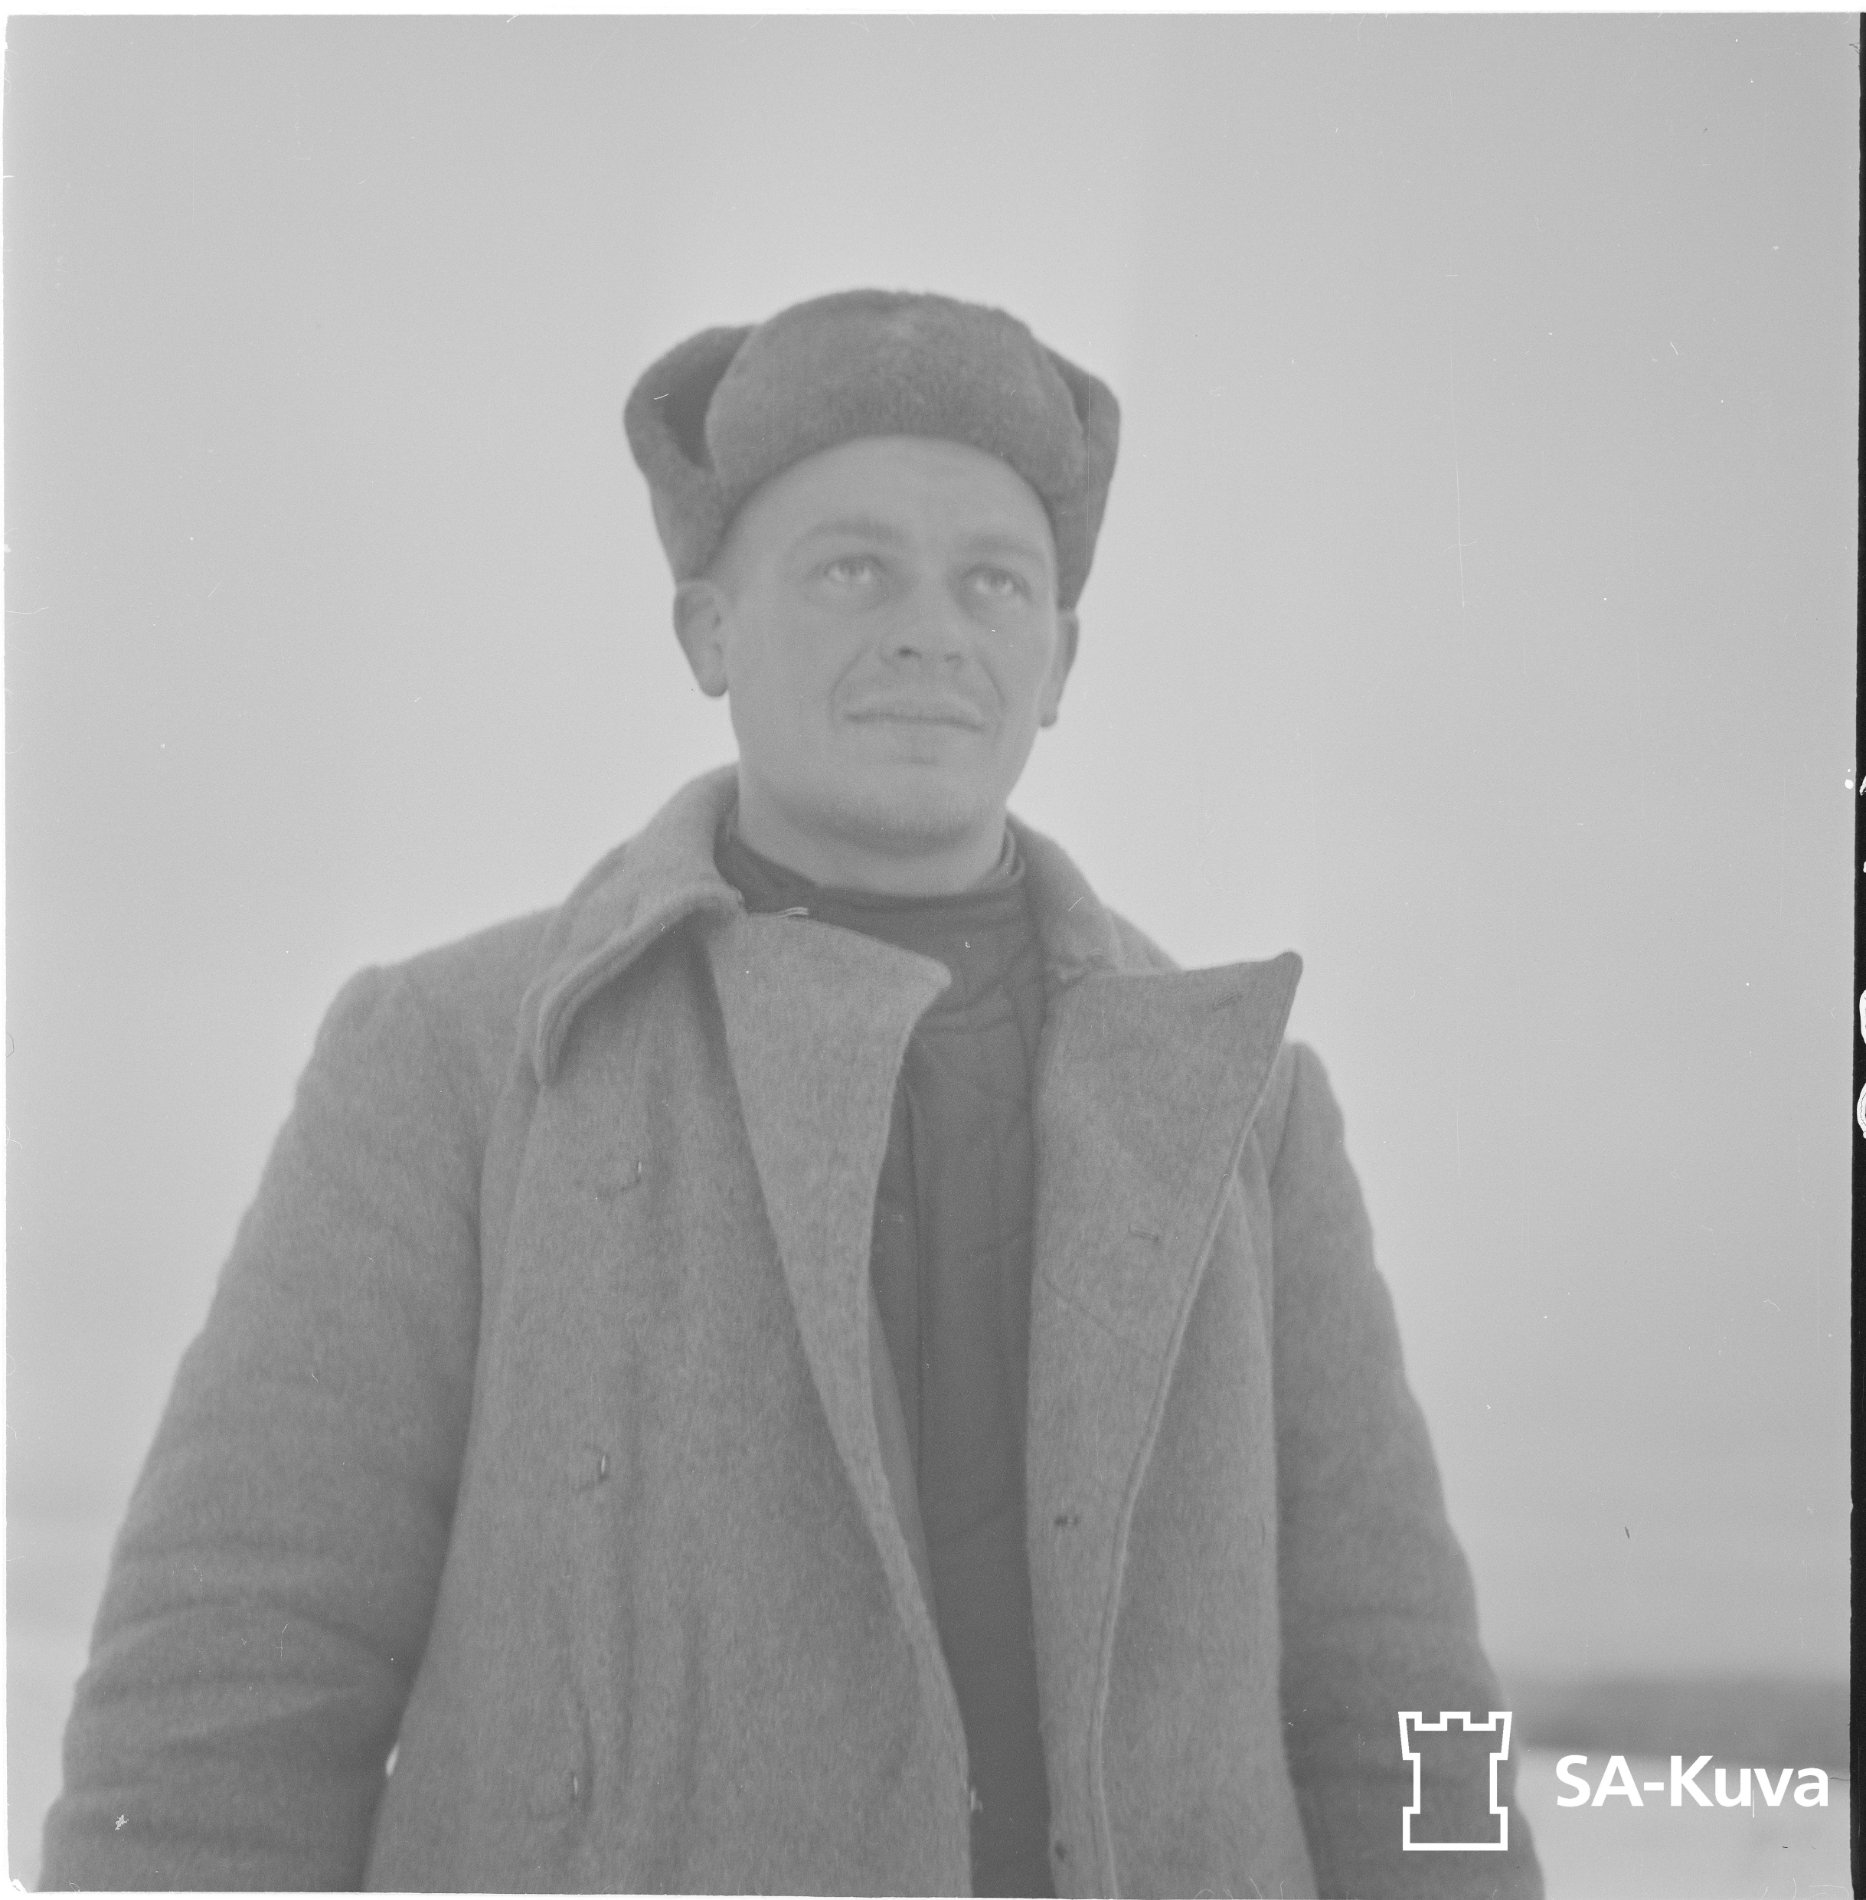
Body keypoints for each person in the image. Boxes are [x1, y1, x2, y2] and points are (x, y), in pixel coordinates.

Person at [42, 288, 1541, 1897]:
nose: (930, 628)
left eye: (992, 580)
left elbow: (1408, 1688)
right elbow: (230, 1680)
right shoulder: (453, 1056)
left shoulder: (1245, 1106)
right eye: (851, 569)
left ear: (1056, 661)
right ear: (708, 631)